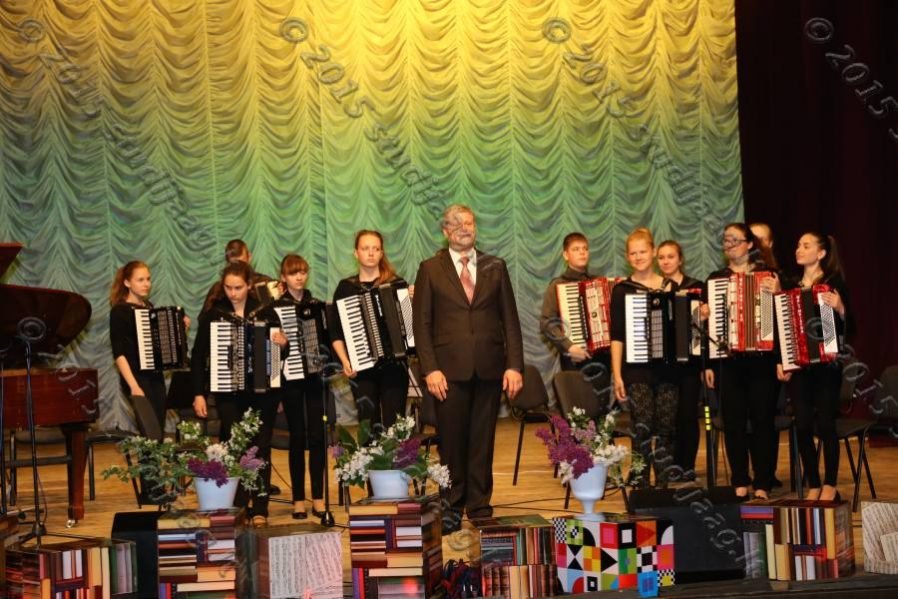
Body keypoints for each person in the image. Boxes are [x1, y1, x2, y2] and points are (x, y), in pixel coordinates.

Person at [413, 204, 523, 531]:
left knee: (482, 441)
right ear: (445, 231)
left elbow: (510, 320)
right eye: (457, 224)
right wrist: (430, 369)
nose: (464, 228)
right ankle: (451, 505)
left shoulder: (495, 266)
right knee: (451, 442)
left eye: (469, 223)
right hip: (447, 372)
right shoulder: (430, 268)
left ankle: (479, 505)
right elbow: (422, 324)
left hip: (489, 368)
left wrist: (514, 365)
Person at [191, 261, 287, 526]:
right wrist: (199, 393)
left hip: (263, 392)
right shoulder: (214, 314)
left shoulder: (265, 311)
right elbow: (198, 356)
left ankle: (261, 507)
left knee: (261, 447)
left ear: (249, 285)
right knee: (235, 446)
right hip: (228, 392)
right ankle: (240, 505)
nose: (233, 293)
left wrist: (283, 344)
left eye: (238, 288)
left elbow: (278, 358)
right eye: (228, 288)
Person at [704, 223, 779, 500]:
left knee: (762, 421)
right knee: (733, 422)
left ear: (749, 244)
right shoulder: (716, 280)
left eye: (735, 240)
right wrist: (709, 362)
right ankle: (739, 479)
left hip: (762, 360)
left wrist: (778, 293)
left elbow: (781, 322)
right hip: (728, 360)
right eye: (726, 240)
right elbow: (709, 329)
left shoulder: (768, 275)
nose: (729, 244)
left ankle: (763, 482)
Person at [777, 233, 851, 501]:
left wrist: (840, 308)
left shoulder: (833, 283)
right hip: (799, 365)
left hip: (827, 367)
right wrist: (782, 359)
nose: (799, 249)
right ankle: (814, 483)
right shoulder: (790, 285)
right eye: (798, 245)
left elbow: (848, 329)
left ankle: (830, 483)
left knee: (826, 425)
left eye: (806, 245)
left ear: (821, 253)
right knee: (803, 425)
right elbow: (782, 326)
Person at [109, 261, 190, 503]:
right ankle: (151, 490)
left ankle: (155, 486)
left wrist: (181, 329)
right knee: (148, 433)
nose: (146, 284)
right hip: (135, 378)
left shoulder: (149, 308)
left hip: (154, 377)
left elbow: (162, 348)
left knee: (156, 433)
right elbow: (119, 354)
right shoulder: (120, 312)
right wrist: (133, 386)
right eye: (140, 280)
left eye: (148, 279)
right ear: (127, 282)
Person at [610, 228, 677, 488]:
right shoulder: (622, 290)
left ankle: (663, 481)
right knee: (642, 426)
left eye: (643, 251)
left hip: (668, 368)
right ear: (627, 257)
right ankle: (640, 481)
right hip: (636, 369)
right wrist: (617, 375)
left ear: (653, 252)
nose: (638, 257)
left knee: (666, 426)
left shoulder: (669, 287)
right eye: (633, 253)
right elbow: (617, 336)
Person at [264, 254, 327, 519]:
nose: (299, 277)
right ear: (284, 277)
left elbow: (327, 340)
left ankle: (318, 497)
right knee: (297, 438)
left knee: (318, 437)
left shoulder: (317, 305)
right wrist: (282, 343)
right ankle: (298, 499)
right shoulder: (275, 308)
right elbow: (272, 355)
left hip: (315, 379)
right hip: (290, 380)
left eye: (302, 272)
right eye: (293, 273)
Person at [331, 230, 410, 432]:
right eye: (365, 248)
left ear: (382, 253)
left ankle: (395, 454)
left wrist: (411, 301)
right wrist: (345, 361)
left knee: (395, 425)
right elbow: (335, 331)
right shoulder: (346, 288)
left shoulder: (397, 284)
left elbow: (410, 326)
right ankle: (370, 455)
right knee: (368, 424)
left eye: (376, 248)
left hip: (395, 366)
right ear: (356, 253)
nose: (371, 253)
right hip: (362, 368)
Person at [539, 232, 612, 409]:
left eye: (585, 249)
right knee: (578, 410)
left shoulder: (600, 283)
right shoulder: (558, 285)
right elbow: (547, 322)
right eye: (576, 249)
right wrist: (569, 346)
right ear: (566, 255)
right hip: (574, 358)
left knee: (601, 408)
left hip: (601, 358)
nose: (582, 252)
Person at [656, 240, 704, 482]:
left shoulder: (696, 287)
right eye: (661, 257)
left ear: (680, 259)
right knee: (668, 417)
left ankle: (688, 465)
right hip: (664, 364)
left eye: (670, 256)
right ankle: (671, 465)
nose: (666, 261)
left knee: (687, 414)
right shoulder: (655, 289)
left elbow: (703, 329)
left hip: (690, 362)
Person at [203, 239, 275, 311]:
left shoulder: (263, 282)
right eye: (234, 264)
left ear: (249, 257)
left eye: (242, 263)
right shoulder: (218, 289)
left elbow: (272, 313)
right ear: (227, 263)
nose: (238, 268)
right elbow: (206, 315)